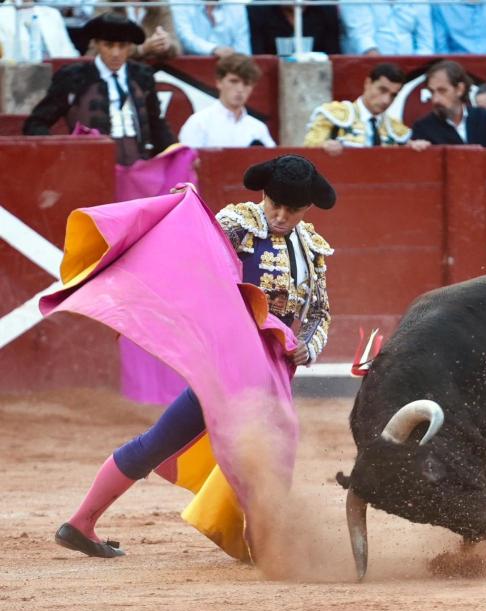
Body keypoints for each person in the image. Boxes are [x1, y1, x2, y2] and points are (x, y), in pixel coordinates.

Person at [54, 154, 336, 558]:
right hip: (228, 361)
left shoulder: (310, 248)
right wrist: (184, 213)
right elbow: (187, 253)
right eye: (275, 204)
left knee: (166, 442)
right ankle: (264, 543)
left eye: (292, 209)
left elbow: (320, 312)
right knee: (272, 445)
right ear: (264, 194)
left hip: (274, 369)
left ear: (307, 208)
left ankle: (81, 522)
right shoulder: (237, 225)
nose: (280, 215)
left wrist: (309, 345)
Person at [22, 13, 175, 166]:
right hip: (89, 170)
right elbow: (36, 123)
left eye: (122, 46)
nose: (115, 53)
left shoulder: (142, 76)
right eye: (108, 45)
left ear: (130, 47)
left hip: (138, 169)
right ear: (96, 44)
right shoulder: (73, 77)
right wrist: (60, 153)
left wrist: (175, 154)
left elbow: (156, 124)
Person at [303, 62, 429, 154]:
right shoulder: (333, 114)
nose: (386, 100)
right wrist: (323, 146)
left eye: (393, 95)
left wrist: (415, 147)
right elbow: (309, 148)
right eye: (382, 90)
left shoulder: (396, 130)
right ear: (368, 83)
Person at [179, 53, 275, 148]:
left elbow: (273, 157)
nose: (240, 89)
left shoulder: (258, 128)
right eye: (234, 81)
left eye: (246, 83)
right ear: (219, 82)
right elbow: (185, 157)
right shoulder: (199, 123)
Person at [410, 60, 486, 147]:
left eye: (442, 91)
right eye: (432, 92)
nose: (435, 99)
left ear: (460, 89)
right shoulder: (423, 128)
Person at [87, 0, 182, 60]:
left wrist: (166, 44)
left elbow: (176, 46)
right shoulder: (105, 5)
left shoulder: (160, 5)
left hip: (153, 72)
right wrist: (142, 49)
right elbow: (98, 48)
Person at [339, 0, 432, 55]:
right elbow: (362, 39)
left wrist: (417, 70)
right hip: (367, 67)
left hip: (411, 69)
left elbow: (425, 43)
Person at [248, 0, 340, 55]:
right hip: (270, 74)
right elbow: (257, 57)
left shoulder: (326, 8)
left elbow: (333, 55)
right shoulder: (258, 8)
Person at [0, 0, 79, 61]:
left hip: (59, 73)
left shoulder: (52, 13)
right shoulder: (2, 15)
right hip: (20, 73)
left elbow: (69, 53)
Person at [171, 0, 251, 57]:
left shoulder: (237, 5)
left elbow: (243, 49)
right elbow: (185, 37)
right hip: (187, 68)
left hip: (230, 67)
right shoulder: (179, 2)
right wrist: (214, 49)